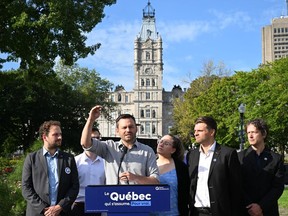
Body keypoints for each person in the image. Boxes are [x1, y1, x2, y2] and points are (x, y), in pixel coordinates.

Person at [80, 105, 159, 185]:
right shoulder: (109, 147)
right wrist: (91, 119)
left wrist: (136, 178)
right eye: (124, 127)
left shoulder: (147, 151)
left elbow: (155, 181)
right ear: (117, 130)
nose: (128, 130)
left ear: (136, 129)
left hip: (139, 196)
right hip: (113, 196)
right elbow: (85, 144)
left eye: (131, 127)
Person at [187, 116, 242, 216]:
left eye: (200, 130)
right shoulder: (192, 155)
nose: (195, 134)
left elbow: (236, 187)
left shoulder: (227, 154)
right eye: (195, 130)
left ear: (211, 132)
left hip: (220, 211)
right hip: (196, 212)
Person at [22, 120, 79, 216]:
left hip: (62, 212)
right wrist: (44, 209)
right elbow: (26, 187)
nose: (60, 137)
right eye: (55, 134)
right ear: (45, 137)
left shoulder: (69, 159)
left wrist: (60, 206)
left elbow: (74, 186)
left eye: (60, 134)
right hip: (38, 212)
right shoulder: (32, 159)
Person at [238, 118, 285, 216]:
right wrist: (250, 206)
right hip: (245, 210)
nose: (250, 136)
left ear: (263, 134)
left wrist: (261, 206)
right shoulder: (239, 157)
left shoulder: (276, 158)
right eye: (248, 132)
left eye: (254, 132)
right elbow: (237, 184)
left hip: (268, 211)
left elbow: (278, 187)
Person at [71, 127, 105, 216]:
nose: (94, 142)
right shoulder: (75, 161)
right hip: (78, 205)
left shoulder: (106, 162)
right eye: (91, 139)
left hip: (98, 205)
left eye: (97, 138)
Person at [153, 134, 190, 216]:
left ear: (173, 150)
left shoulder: (181, 167)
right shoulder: (149, 164)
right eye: (160, 141)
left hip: (173, 213)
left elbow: (186, 193)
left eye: (166, 143)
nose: (161, 144)